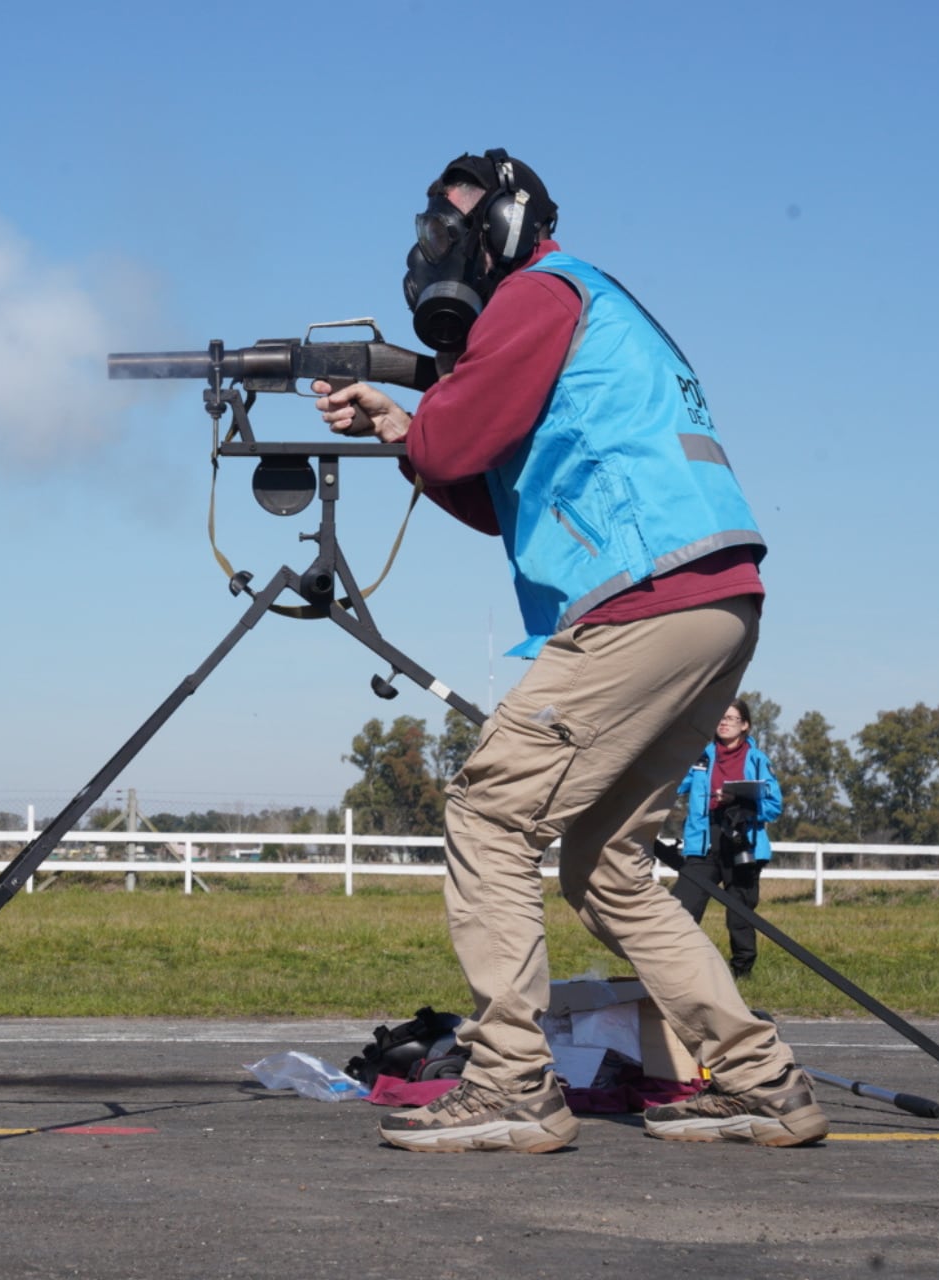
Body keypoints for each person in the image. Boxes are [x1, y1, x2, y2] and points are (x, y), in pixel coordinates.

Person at [313, 148, 825, 1152]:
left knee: (490, 809)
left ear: (503, 226)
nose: (439, 245)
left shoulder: (535, 294)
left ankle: (510, 1082)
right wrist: (400, 428)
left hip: (642, 596)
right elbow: (480, 482)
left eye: (454, 222)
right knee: (605, 865)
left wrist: (409, 418)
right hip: (710, 595)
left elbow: (453, 442)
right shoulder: (577, 301)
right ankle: (765, 1081)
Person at [674, 699, 784, 979]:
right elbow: (673, 786)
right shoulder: (702, 757)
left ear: (745, 725)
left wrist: (740, 801)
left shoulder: (758, 760)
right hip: (704, 841)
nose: (723, 723)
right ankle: (681, 969)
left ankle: (742, 972)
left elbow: (774, 806)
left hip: (741, 842)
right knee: (681, 908)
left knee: (740, 915)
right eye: (719, 717)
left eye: (731, 718)